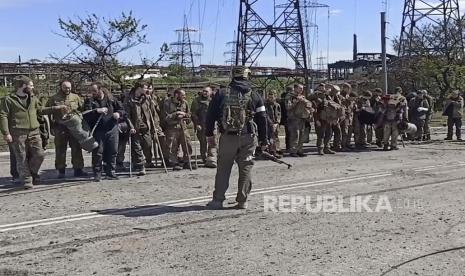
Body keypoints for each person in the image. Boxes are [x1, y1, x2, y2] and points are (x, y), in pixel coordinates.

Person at [205, 66, 268, 209]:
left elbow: (210, 115)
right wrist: (264, 140)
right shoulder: (255, 95)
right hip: (249, 137)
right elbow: (263, 119)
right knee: (246, 167)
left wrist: (209, 134)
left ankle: (218, 200)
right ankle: (242, 201)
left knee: (223, 168)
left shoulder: (221, 93)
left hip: (228, 137)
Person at [0, 76, 45, 189]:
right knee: (21, 157)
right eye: (30, 85)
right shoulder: (8, 100)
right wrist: (6, 133)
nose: (32, 87)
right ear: (23, 86)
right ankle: (27, 180)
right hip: (17, 132)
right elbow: (3, 116)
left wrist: (56, 108)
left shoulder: (33, 98)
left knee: (39, 155)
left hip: (34, 131)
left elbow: (40, 110)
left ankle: (31, 172)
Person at [42, 80, 87, 178]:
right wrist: (52, 127)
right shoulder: (53, 98)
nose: (68, 89)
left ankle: (78, 169)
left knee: (76, 148)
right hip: (60, 127)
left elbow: (82, 109)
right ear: (61, 87)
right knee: (60, 150)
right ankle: (61, 170)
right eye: (65, 87)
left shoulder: (75, 97)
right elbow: (47, 112)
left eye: (69, 88)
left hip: (74, 127)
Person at [83, 83, 124, 182]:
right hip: (98, 130)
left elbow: (122, 110)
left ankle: (111, 172)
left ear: (101, 89)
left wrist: (118, 114)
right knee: (98, 152)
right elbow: (85, 115)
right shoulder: (90, 101)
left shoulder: (112, 99)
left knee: (113, 151)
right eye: (91, 91)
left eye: (94, 91)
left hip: (112, 129)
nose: (92, 93)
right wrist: (96, 111)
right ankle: (97, 173)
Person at [164, 89, 195, 171]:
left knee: (187, 144)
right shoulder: (167, 103)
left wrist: (185, 115)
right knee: (173, 146)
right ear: (177, 95)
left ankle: (187, 161)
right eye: (182, 95)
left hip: (183, 127)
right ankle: (175, 162)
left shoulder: (185, 103)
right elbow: (166, 117)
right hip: (172, 128)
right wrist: (176, 114)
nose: (184, 97)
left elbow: (189, 115)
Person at [191, 86, 217, 168]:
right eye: (203, 91)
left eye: (206, 91)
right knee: (203, 142)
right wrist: (197, 124)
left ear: (211, 92)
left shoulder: (214, 100)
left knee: (213, 142)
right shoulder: (197, 101)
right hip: (202, 125)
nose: (204, 93)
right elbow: (194, 114)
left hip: (212, 124)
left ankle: (211, 158)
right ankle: (204, 158)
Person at [286, 84, 311, 157]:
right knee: (295, 135)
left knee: (301, 135)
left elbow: (308, 104)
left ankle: (299, 150)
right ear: (295, 88)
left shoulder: (302, 97)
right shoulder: (289, 96)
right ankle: (293, 151)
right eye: (300, 88)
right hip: (293, 118)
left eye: (302, 89)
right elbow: (288, 107)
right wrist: (296, 101)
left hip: (301, 118)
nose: (301, 90)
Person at [265, 90, 282, 158]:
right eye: (270, 97)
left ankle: (276, 150)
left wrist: (277, 122)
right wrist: (271, 123)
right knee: (269, 137)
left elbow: (279, 114)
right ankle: (269, 151)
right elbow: (265, 115)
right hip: (268, 124)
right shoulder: (265, 105)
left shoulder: (277, 105)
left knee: (275, 137)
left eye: (272, 97)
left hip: (275, 124)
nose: (271, 98)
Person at [279, 86, 293, 152]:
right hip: (287, 117)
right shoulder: (289, 97)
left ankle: (287, 146)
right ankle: (288, 146)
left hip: (283, 117)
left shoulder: (282, 98)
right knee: (289, 133)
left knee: (288, 133)